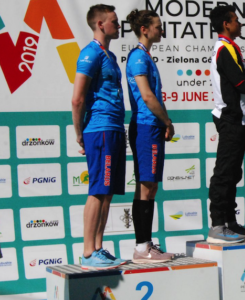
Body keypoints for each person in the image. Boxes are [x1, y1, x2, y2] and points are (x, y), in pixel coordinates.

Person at [72, 4, 126, 270]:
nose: (119, 25)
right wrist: (78, 132)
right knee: (97, 191)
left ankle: (98, 248)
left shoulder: (110, 56)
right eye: (114, 21)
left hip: (115, 128)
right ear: (100, 24)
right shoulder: (90, 53)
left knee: (107, 193)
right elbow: (77, 98)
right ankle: (86, 252)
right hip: (100, 129)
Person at [126, 9, 175, 262]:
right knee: (146, 188)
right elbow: (146, 96)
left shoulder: (146, 56)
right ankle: (142, 248)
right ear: (144, 29)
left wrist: (164, 122)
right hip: (145, 126)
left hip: (152, 127)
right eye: (158, 26)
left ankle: (145, 245)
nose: (161, 30)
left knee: (150, 187)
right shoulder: (138, 57)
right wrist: (166, 120)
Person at [207, 5, 245, 243]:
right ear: (226, 24)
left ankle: (229, 220)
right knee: (224, 173)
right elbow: (243, 83)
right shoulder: (224, 49)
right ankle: (217, 225)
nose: (240, 23)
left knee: (233, 173)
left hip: (239, 119)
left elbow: (243, 81)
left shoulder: (230, 48)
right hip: (230, 118)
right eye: (236, 20)